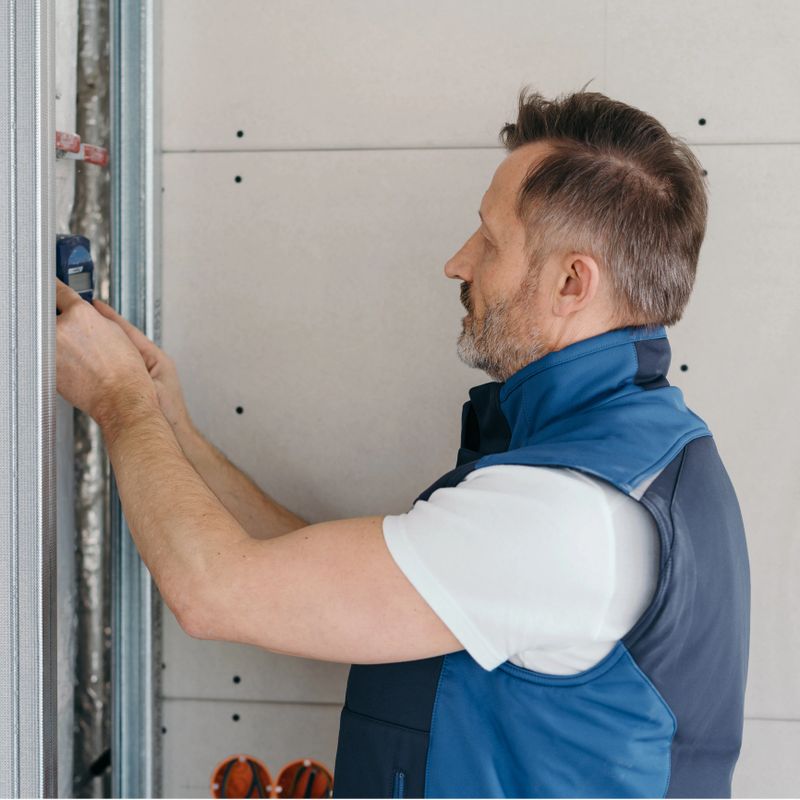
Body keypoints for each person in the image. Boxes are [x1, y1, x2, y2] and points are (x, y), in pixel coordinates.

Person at [56, 88, 750, 798]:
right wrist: (171, 424)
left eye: (489, 238)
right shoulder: (643, 459)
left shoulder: (567, 512)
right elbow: (340, 581)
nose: (458, 262)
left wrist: (118, 402)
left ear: (572, 281)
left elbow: (215, 592)